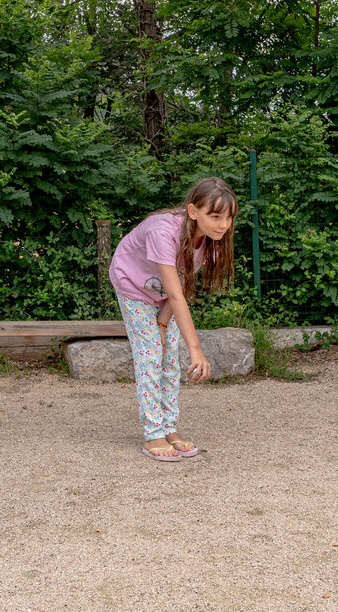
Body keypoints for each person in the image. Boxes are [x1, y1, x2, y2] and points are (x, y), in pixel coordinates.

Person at [108, 177, 236, 462]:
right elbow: (177, 296)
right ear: (193, 212)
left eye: (228, 217)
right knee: (150, 355)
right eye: (215, 216)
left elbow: (181, 284)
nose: (223, 225)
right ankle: (153, 432)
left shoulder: (210, 239)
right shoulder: (162, 232)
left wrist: (163, 323)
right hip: (134, 287)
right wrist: (196, 349)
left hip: (166, 292)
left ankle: (169, 427)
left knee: (169, 357)